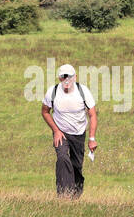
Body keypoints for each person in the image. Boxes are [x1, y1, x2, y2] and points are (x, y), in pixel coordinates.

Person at [41, 63, 97, 199]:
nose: (67, 80)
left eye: (70, 77)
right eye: (63, 77)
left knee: (76, 167)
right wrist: (56, 130)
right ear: (59, 78)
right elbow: (45, 112)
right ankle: (64, 196)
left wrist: (91, 138)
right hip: (61, 133)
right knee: (62, 158)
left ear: (75, 77)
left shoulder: (83, 91)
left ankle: (75, 196)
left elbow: (92, 115)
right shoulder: (52, 92)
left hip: (78, 134)